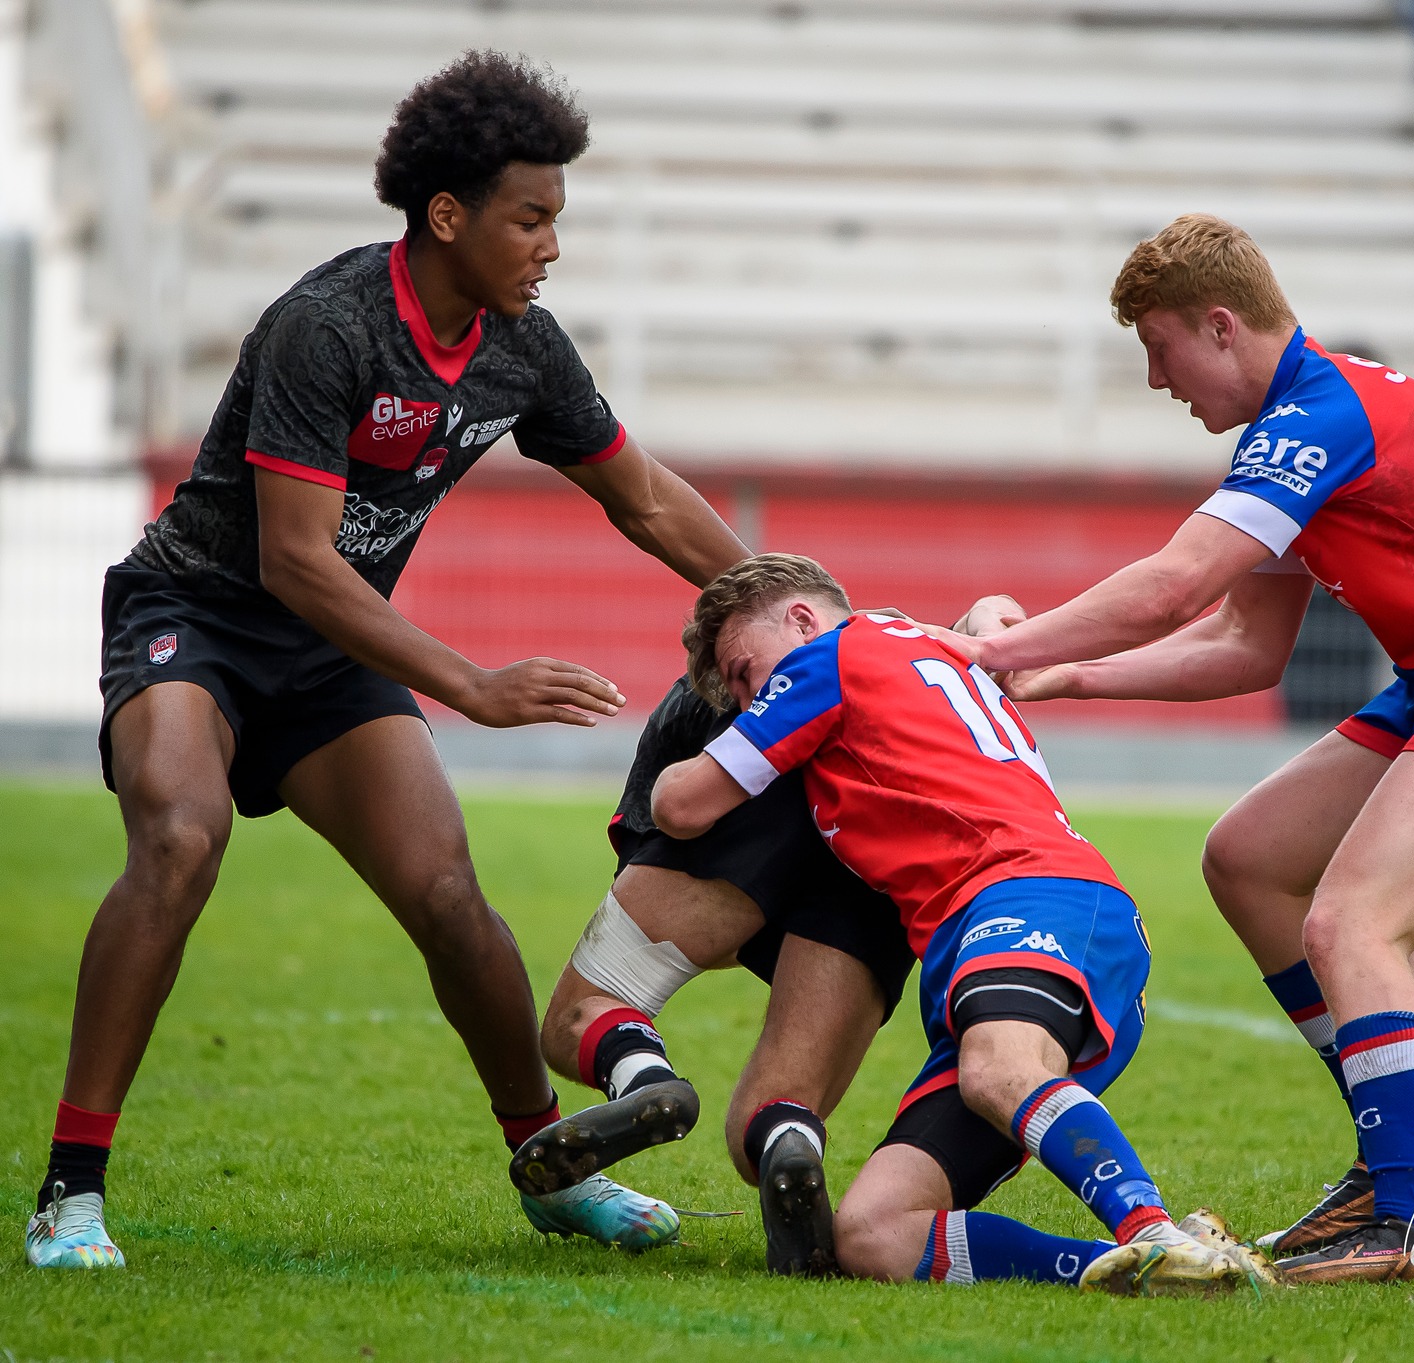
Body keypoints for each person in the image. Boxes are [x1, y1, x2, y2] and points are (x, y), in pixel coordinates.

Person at [25, 53, 751, 1270]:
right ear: (448, 215)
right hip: (196, 617)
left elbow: (640, 497)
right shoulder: (329, 324)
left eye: (556, 222)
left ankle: (548, 1167)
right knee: (179, 837)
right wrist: (470, 683)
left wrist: (787, 617)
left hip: (325, 649)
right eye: (531, 219)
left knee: (451, 899)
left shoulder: (523, 345)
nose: (549, 248)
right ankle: (68, 1193)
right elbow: (298, 558)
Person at [940, 213, 1414, 1283]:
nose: (1152, 378)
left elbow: (1177, 584)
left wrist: (999, 650)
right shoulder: (1302, 421)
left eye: (1157, 346)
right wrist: (1065, 672)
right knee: (1249, 856)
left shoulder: (1316, 417)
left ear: (1219, 329)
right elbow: (1242, 644)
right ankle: (1398, 1152)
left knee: (1350, 916)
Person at [646, 553, 1269, 1295]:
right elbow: (986, 612)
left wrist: (653, 771)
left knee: (998, 1070)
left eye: (746, 671)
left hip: (1031, 896)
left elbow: (681, 807)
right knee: (874, 1232)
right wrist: (987, 607)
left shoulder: (826, 659)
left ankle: (1152, 1230)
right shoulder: (912, 640)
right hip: (1004, 932)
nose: (752, 697)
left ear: (803, 620)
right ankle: (1144, 1272)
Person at [507, 669, 915, 1277]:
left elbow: (676, 812)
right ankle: (787, 1139)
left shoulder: (745, 679)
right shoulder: (900, 658)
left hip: (745, 799)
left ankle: (644, 1079)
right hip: (885, 832)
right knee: (771, 1112)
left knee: (580, 1014)